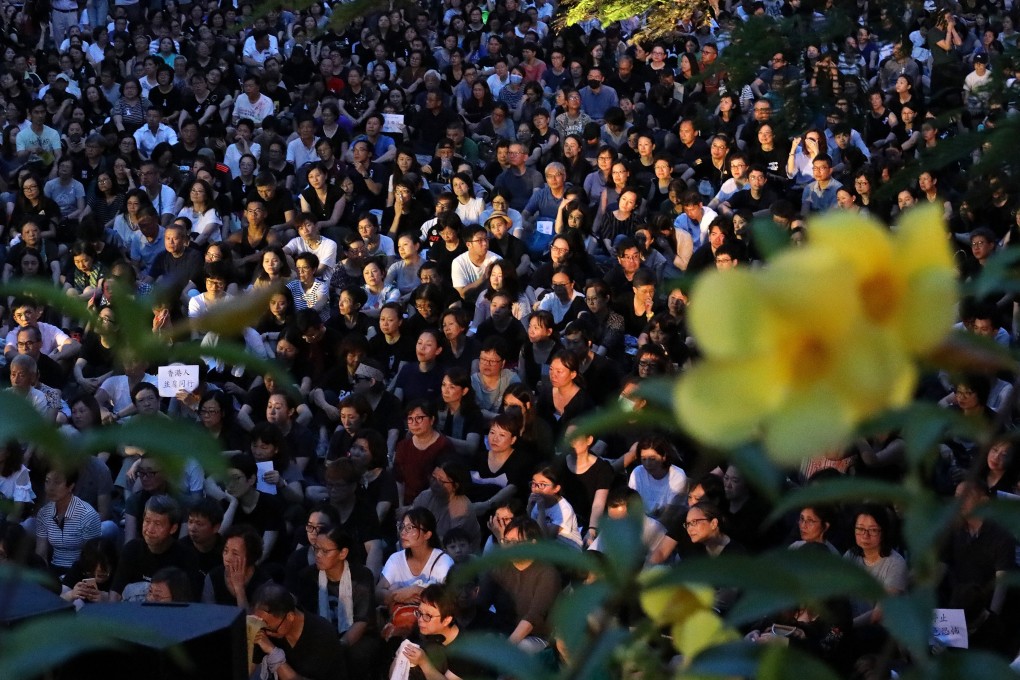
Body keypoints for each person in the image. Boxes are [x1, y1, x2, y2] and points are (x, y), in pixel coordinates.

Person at [295, 526, 381, 669]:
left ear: (343, 553)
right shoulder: (307, 576)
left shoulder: (361, 576)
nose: (318, 555)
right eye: (316, 549)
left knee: (354, 655)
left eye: (325, 551)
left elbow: (362, 621)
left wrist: (339, 646)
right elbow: (303, 616)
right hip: (320, 635)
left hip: (358, 637)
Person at [479, 517, 562, 651]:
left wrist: (508, 646)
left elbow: (534, 616)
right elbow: (481, 602)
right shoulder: (499, 567)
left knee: (519, 650)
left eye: (515, 542)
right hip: (503, 631)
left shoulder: (547, 573)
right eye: (506, 542)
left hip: (536, 636)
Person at [251, 582, 349, 680]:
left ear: (290, 617)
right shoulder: (268, 627)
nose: (267, 633)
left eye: (271, 629)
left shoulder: (322, 635)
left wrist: (274, 653)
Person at [843, 505, 908, 627]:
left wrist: (845, 628)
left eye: (873, 530)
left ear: (883, 532)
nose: (865, 535)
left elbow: (879, 614)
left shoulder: (896, 563)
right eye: (860, 529)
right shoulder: (850, 556)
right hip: (851, 629)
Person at [35, 467, 101, 576]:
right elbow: (41, 553)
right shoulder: (44, 513)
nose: (50, 488)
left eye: (57, 482)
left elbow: (91, 557)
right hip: (53, 568)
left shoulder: (87, 514)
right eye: (47, 481)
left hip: (79, 571)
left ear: (71, 486)